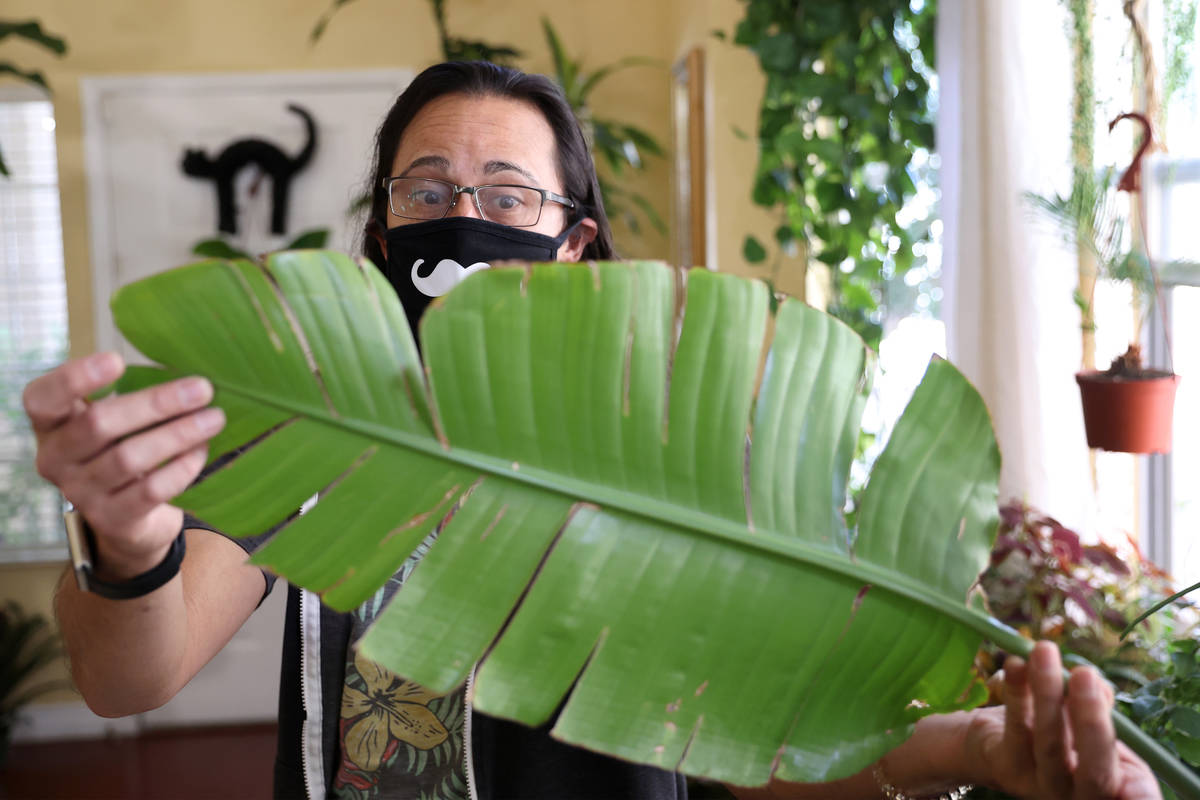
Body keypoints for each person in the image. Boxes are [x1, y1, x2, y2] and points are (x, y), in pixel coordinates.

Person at [25, 61, 1161, 800]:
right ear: (379, 234)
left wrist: (974, 750)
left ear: (573, 243)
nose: (462, 218)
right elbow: (134, 676)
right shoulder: (321, 424)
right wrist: (128, 542)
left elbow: (757, 739)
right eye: (425, 191)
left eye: (508, 196)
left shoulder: (674, 441)